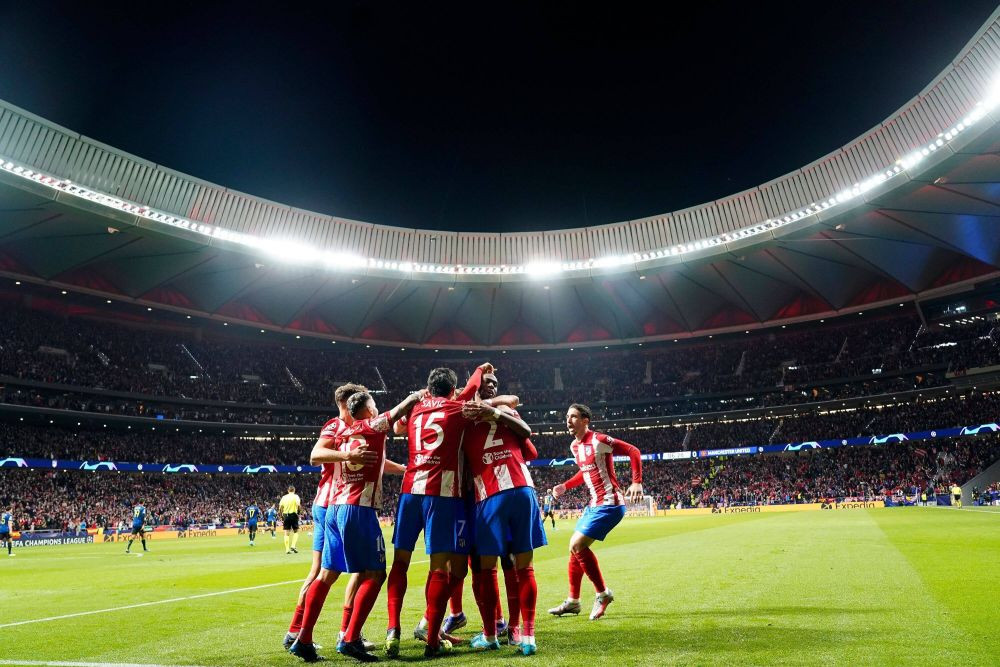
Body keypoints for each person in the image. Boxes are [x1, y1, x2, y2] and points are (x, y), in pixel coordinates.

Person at [289, 389, 421, 663]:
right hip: (358, 509)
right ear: (368, 410)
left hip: (335, 509)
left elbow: (373, 459)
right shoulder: (371, 425)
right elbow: (395, 414)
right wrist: (415, 397)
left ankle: (303, 639)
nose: (377, 409)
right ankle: (350, 639)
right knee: (375, 573)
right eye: (374, 405)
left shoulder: (343, 434)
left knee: (326, 575)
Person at [384, 364, 490, 659]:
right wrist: (481, 368)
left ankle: (393, 630)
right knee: (440, 567)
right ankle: (432, 640)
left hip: (409, 492)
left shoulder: (415, 407)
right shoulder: (457, 407)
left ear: (428, 389)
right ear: (453, 391)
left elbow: (396, 426)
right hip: (442, 494)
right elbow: (471, 389)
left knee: (400, 563)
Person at [284, 383, 376, 652]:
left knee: (350, 571)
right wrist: (348, 453)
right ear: (347, 403)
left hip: (337, 504)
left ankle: (331, 633)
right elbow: (315, 455)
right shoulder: (335, 426)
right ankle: (302, 632)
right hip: (329, 505)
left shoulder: (353, 429)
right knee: (323, 573)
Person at [461, 372, 546, 655]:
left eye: (496, 382)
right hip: (522, 489)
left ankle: (491, 634)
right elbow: (530, 447)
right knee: (522, 566)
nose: (493, 385)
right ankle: (524, 635)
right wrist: (498, 412)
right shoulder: (507, 411)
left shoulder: (462, 416)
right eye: (489, 382)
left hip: (489, 496)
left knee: (485, 569)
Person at [548, 404, 643, 621]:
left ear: (585, 420)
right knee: (574, 549)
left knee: (576, 545)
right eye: (566, 417)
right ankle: (573, 601)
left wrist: (636, 482)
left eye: (573, 417)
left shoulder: (599, 440)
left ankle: (602, 594)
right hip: (593, 505)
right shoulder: (575, 447)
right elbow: (585, 472)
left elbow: (633, 451)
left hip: (610, 503)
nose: (568, 421)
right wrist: (565, 486)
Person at [279, 487, 302, 554]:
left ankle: (287, 549)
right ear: (294, 490)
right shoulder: (296, 496)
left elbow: (280, 507)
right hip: (293, 514)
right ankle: (293, 545)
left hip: (286, 515)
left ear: (288, 490)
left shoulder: (284, 497)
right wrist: (299, 513)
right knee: (296, 531)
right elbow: (298, 505)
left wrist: (281, 515)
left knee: (286, 532)